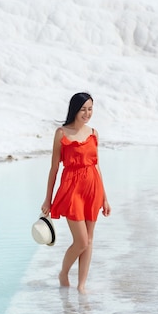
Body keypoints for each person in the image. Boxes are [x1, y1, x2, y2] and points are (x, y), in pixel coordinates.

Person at [41, 92, 111, 293]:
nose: (87, 113)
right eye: (83, 109)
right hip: (72, 188)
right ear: (74, 109)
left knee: (89, 240)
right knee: (81, 240)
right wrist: (48, 198)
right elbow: (54, 168)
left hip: (93, 188)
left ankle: (81, 285)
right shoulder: (62, 133)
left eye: (90, 109)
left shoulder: (94, 133)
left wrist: (105, 198)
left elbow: (97, 166)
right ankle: (63, 273)